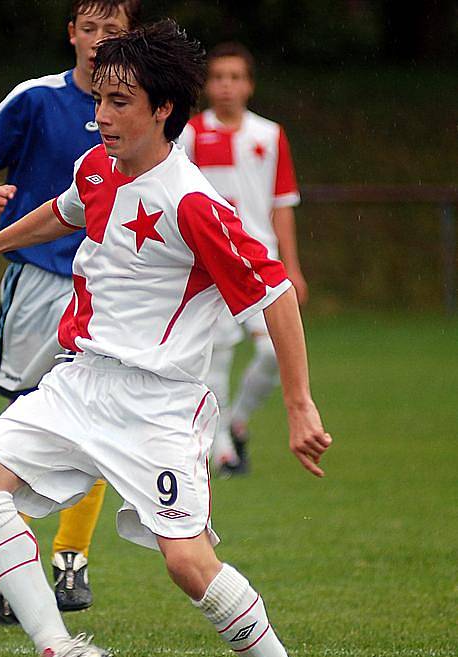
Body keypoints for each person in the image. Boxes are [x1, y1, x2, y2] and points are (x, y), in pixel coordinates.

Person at [0, 21, 337, 657]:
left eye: (119, 101)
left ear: (162, 109)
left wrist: (298, 403)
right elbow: (63, 210)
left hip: (158, 405)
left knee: (188, 565)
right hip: (80, 381)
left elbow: (274, 293)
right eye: (99, 98)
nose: (101, 115)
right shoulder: (98, 167)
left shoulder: (192, 203)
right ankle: (59, 649)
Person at [0, 0, 140, 623]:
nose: (99, 41)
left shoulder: (145, 111)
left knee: (95, 412)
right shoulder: (36, 98)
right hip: (37, 278)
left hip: (108, 284)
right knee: (24, 413)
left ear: (129, 37)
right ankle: (7, 570)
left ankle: (71, 556)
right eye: (90, 29)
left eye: (112, 30)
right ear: (71, 34)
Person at [179, 42, 308, 476]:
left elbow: (282, 203)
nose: (226, 86)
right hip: (212, 265)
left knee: (274, 352)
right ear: (207, 85)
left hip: (261, 262)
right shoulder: (192, 133)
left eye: (235, 77)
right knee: (215, 356)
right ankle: (221, 449)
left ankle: (237, 419)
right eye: (217, 77)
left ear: (249, 85)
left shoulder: (269, 135)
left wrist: (292, 266)